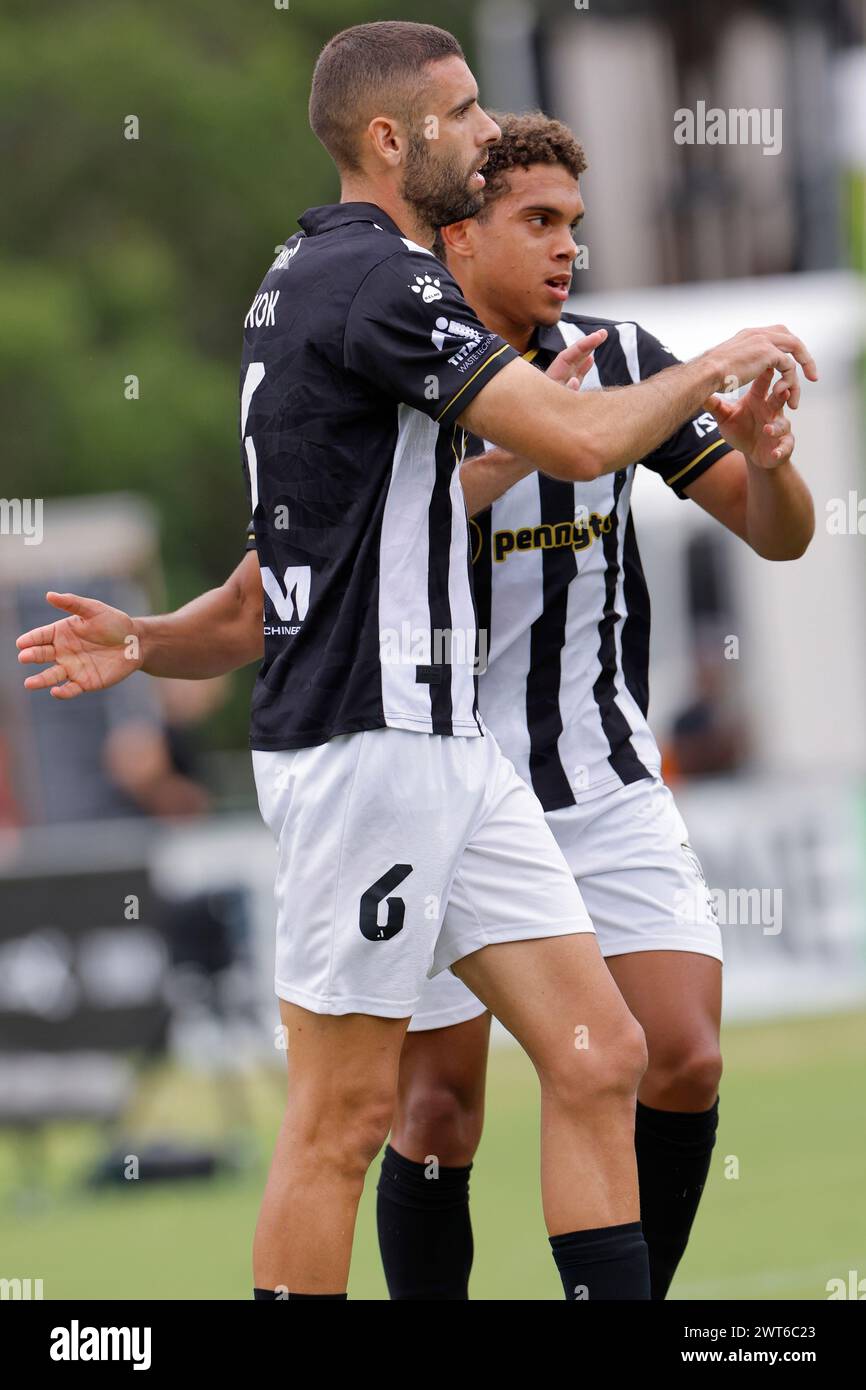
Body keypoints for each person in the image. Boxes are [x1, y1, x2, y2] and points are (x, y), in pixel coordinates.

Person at [15, 22, 817, 1300]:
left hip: (455, 755)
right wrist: (716, 359)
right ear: (392, 141)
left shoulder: (333, 280)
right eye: (464, 112)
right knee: (354, 1120)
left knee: (603, 1051)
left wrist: (152, 639)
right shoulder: (377, 282)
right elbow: (564, 440)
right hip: (367, 747)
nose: (486, 131)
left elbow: (352, 519)